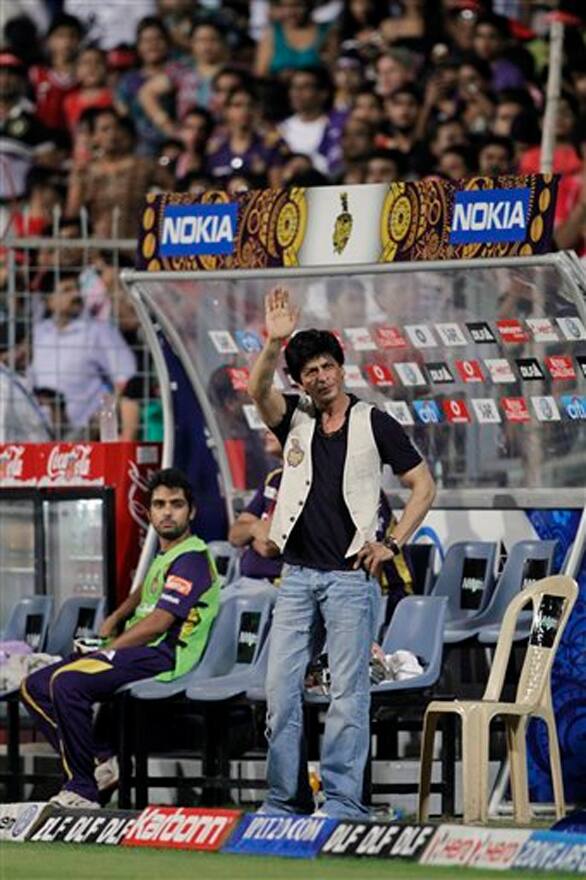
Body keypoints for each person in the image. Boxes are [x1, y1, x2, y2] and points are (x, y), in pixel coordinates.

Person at [248, 287, 436, 818]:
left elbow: (423, 486)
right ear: (299, 379)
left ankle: (343, 802)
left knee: (348, 698)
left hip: (351, 577)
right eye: (309, 370)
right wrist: (273, 342)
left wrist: (393, 542)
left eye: (328, 365)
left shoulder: (374, 422)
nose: (321, 376)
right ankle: (285, 800)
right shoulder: (294, 419)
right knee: (281, 693)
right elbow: (256, 387)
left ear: (341, 367)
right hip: (298, 575)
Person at [21, 467, 222, 809]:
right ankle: (103, 760)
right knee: (34, 686)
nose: (167, 511)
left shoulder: (192, 557)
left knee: (67, 682)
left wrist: (108, 650)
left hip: (166, 654)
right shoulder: (168, 554)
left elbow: (159, 622)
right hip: (141, 650)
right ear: (150, 511)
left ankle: (82, 789)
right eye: (159, 504)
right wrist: (117, 615)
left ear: (192, 512)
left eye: (176, 504)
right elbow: (148, 589)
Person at [27, 270, 136, 432]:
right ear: (49, 301)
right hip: (39, 431)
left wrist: (100, 422)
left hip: (84, 436)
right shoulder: (40, 332)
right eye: (67, 290)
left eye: (77, 288)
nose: (76, 294)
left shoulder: (98, 331)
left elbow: (126, 378)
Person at [228, 429, 284, 582]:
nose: (267, 431)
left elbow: (269, 546)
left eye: (275, 427)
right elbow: (234, 535)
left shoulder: (304, 483)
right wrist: (255, 529)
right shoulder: (273, 478)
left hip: (276, 586)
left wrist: (250, 533)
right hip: (246, 580)